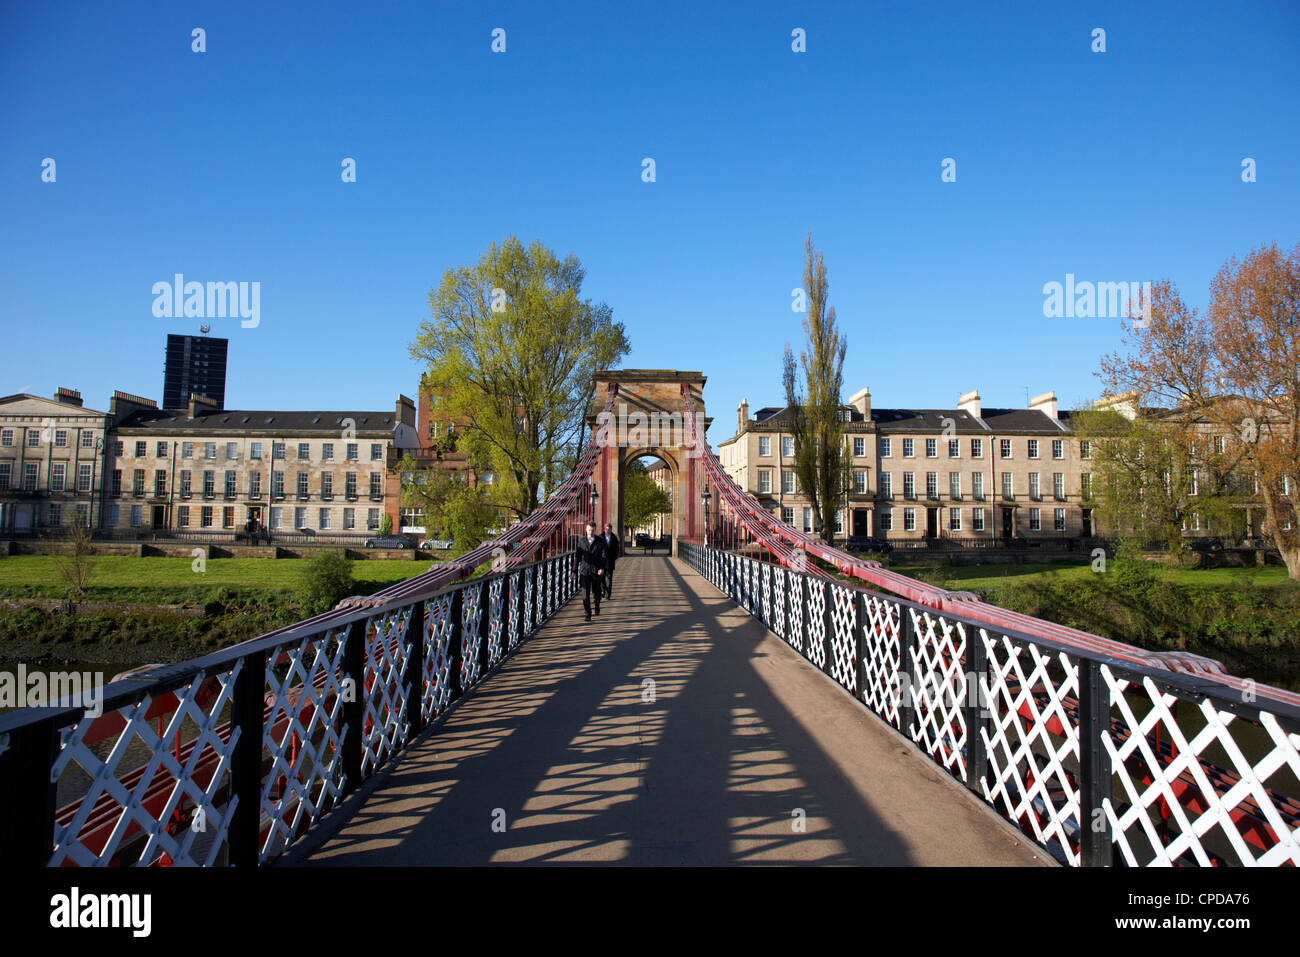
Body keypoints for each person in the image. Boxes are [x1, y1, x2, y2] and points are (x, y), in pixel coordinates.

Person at [575, 522, 607, 621]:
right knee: (585, 594)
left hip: (596, 571)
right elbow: (577, 557)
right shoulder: (581, 541)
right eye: (589, 530)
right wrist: (573, 571)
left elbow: (604, 556)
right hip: (584, 571)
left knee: (596, 592)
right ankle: (587, 614)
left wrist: (602, 568)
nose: (590, 532)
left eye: (592, 530)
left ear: (595, 530)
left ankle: (597, 605)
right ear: (586, 530)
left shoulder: (600, 541)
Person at [602, 522, 622, 598]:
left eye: (609, 529)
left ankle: (608, 594)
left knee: (609, 579)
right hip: (602, 561)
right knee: (602, 578)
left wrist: (614, 557)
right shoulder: (600, 537)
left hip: (610, 561)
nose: (607, 530)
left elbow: (617, 549)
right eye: (606, 529)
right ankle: (603, 590)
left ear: (611, 530)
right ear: (604, 529)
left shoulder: (614, 538)